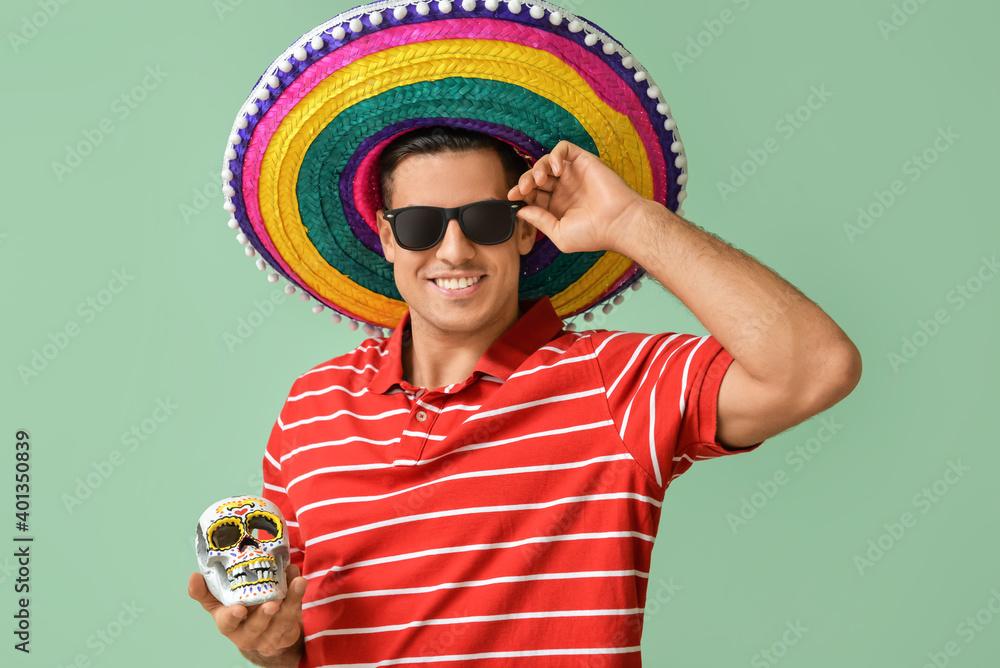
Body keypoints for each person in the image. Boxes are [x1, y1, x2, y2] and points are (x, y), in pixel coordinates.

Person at [189, 4, 861, 666]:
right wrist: (271, 648)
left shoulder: (616, 383)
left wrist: (630, 220)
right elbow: (305, 641)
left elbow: (816, 367)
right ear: (387, 236)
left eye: (482, 217)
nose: (452, 251)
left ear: (522, 226)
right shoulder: (312, 408)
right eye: (423, 225)